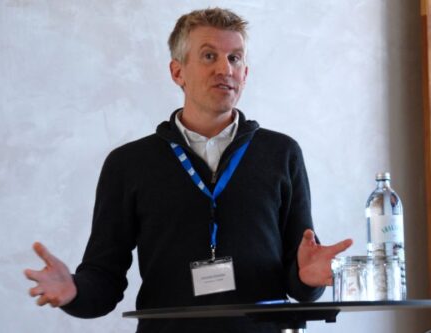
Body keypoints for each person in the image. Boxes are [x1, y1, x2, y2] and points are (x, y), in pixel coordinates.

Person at [24, 8, 353, 333]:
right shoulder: (128, 163)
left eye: (235, 58)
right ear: (177, 72)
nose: (225, 68)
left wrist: (309, 279)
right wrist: (74, 292)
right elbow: (104, 280)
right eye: (209, 56)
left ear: (245, 73)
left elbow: (300, 274)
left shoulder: (281, 153)